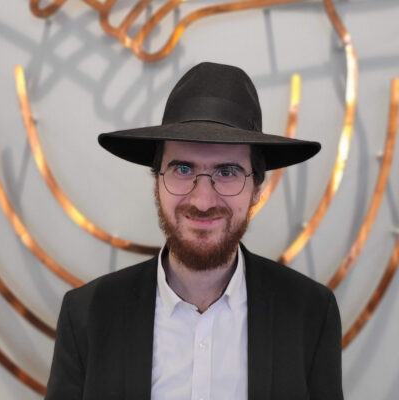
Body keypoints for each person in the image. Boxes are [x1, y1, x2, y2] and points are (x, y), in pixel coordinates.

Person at [45, 62, 343, 400]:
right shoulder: (87, 314)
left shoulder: (310, 313)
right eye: (183, 169)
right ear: (157, 182)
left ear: (257, 189)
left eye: (227, 172)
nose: (202, 201)